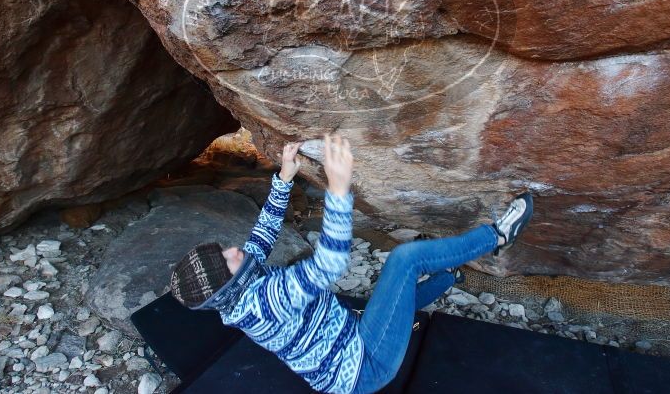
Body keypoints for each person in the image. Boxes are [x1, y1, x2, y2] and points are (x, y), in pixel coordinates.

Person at [170, 134, 534, 394]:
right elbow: (329, 264)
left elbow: (263, 232)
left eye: (222, 250)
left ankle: (447, 278)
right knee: (405, 260)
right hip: (364, 367)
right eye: (226, 259)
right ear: (228, 286)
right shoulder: (262, 303)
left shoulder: (241, 280)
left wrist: (284, 176)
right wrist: (338, 190)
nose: (234, 250)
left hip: (347, 337)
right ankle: (498, 237)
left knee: (389, 295)